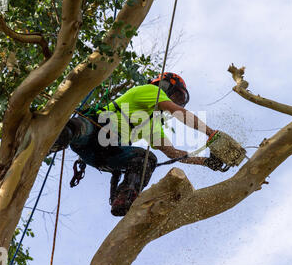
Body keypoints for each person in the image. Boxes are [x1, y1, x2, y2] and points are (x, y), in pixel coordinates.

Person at [50, 73, 226, 216]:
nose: (175, 100)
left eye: (180, 99)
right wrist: (210, 132)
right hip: (93, 131)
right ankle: (50, 140)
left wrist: (206, 162)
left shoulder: (153, 124)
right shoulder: (150, 90)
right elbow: (179, 112)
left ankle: (126, 196)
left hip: (106, 154)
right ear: (164, 86)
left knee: (147, 158)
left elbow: (173, 153)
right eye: (176, 95)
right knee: (76, 127)